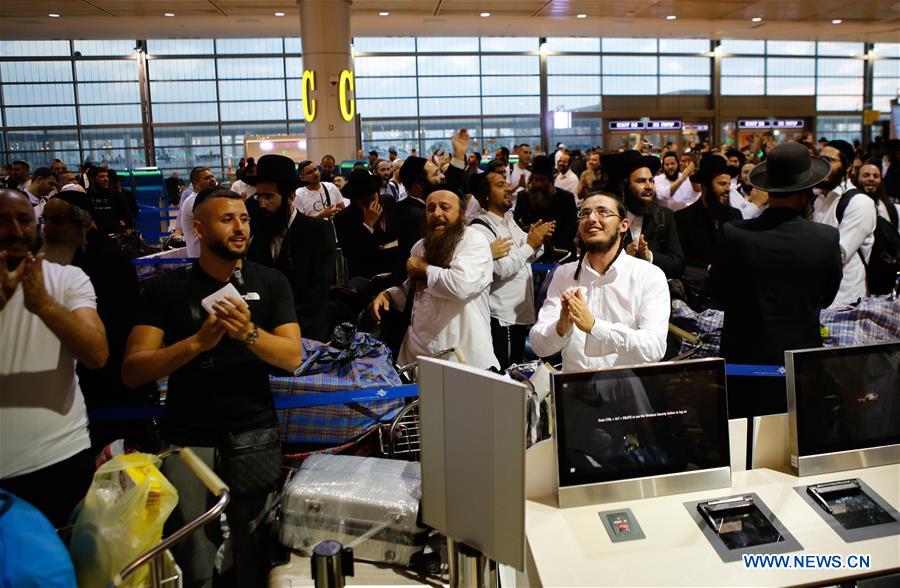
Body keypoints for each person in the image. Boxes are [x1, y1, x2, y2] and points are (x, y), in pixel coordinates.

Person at [123, 187, 302, 588]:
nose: (240, 227)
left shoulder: (270, 282)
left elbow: (292, 356)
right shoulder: (166, 289)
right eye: (227, 219)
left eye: (244, 219)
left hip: (254, 432)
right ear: (199, 228)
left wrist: (248, 333)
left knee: (256, 548)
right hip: (188, 440)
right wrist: (196, 344)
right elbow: (134, 370)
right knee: (193, 555)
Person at [0, 189, 109, 527]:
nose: (15, 230)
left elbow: (97, 353)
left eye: (23, 220)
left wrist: (44, 306)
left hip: (60, 457)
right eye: (3, 221)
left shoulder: (67, 279)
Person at [710, 142, 842, 417]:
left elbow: (717, 296)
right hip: (799, 367)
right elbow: (827, 299)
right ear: (806, 194)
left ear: (767, 190)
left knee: (744, 439)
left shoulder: (733, 235)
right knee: (798, 436)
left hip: (744, 367)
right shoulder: (826, 238)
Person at [41, 190, 157, 450]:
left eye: (58, 221)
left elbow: (120, 321)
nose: (48, 228)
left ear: (82, 222)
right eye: (45, 220)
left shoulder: (106, 257)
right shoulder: (69, 254)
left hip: (111, 375)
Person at [529, 191, 669, 371]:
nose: (591, 219)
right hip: (573, 384)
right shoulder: (564, 274)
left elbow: (654, 348)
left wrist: (595, 326)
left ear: (623, 225)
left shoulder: (649, 275)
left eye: (603, 212)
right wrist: (560, 328)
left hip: (625, 384)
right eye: (585, 213)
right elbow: (539, 346)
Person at [370, 190, 498, 370]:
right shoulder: (420, 247)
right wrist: (389, 295)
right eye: (431, 208)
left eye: (444, 207)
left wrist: (423, 268)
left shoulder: (474, 241)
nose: (437, 213)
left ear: (461, 214)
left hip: (463, 358)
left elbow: (460, 286)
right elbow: (416, 291)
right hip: (418, 355)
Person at [469, 172, 555, 370]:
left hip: (518, 314)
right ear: (486, 195)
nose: (509, 188)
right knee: (504, 374)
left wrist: (537, 239)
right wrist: (530, 244)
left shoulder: (509, 219)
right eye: (500, 185)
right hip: (502, 317)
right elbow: (501, 269)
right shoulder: (480, 229)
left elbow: (528, 256)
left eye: (507, 183)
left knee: (516, 371)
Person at [246, 155, 336, 342]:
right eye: (259, 197)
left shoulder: (317, 231)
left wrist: (285, 329)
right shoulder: (260, 232)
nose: (262, 204)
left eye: (269, 196)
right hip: (266, 334)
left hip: (307, 333)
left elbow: (318, 290)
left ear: (291, 196)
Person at [812, 139, 876, 306]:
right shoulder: (818, 198)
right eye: (820, 159)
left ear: (848, 167)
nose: (822, 165)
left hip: (845, 301)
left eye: (829, 160)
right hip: (818, 297)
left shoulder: (859, 202)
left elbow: (837, 254)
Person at [606, 150, 684, 280]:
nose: (649, 186)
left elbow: (678, 266)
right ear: (624, 186)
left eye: (651, 181)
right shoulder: (610, 219)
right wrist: (624, 257)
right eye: (641, 181)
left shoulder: (664, 216)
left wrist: (649, 256)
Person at [675, 155, 742, 276]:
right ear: (705, 186)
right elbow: (680, 257)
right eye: (722, 184)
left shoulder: (735, 215)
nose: (728, 189)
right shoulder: (682, 218)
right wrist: (708, 267)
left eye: (729, 184)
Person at [333, 168, 401, 282]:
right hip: (367, 275)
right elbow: (351, 253)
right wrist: (368, 224)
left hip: (395, 269)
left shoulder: (389, 202)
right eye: (365, 202)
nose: (370, 205)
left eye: (373, 199)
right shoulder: (343, 217)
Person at [513, 154, 578, 259]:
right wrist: (531, 230)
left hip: (560, 252)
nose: (538, 184)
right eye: (536, 180)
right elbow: (516, 224)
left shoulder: (566, 198)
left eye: (542, 180)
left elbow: (572, 228)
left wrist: (548, 237)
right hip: (530, 250)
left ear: (550, 180)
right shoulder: (523, 197)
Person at [173, 167, 218, 254]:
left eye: (212, 176)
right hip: (200, 257)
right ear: (196, 184)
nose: (212, 180)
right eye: (207, 178)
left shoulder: (206, 199)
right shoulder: (194, 202)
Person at [87, 166, 134, 234]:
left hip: (115, 233)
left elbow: (127, 214)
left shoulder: (115, 194)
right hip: (95, 234)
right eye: (102, 176)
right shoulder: (87, 195)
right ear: (93, 179)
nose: (106, 179)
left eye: (107, 176)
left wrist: (128, 229)